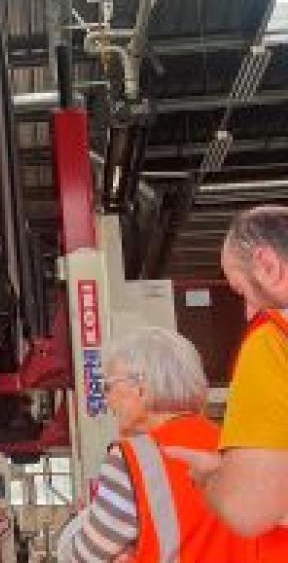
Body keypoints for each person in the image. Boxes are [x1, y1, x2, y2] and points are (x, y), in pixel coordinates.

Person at [58, 327, 255, 562]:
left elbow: (83, 556)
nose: (107, 400)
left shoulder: (132, 460)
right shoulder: (239, 446)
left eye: (108, 386)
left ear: (140, 389)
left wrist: (81, 524)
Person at [167, 206, 288, 553]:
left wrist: (214, 480)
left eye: (241, 291)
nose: (249, 311)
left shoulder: (274, 338)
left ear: (268, 266)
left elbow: (247, 509)